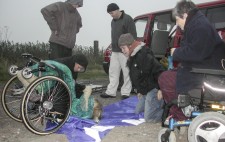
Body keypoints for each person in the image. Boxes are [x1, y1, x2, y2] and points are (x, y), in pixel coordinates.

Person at [158, 1, 225, 121]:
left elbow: (196, 53)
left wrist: (176, 52)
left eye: (177, 20)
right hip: (203, 69)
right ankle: (179, 112)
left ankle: (181, 116)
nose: (177, 25)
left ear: (184, 14)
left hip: (206, 75)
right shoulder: (197, 24)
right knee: (168, 75)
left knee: (165, 78)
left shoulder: (200, 26)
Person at [16, 54, 102, 122]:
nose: (79, 69)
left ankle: (27, 77)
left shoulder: (72, 68)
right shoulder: (66, 65)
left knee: (43, 88)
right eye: (78, 67)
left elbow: (72, 85)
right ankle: (29, 78)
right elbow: (70, 85)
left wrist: (80, 89)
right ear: (75, 61)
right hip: (51, 78)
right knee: (47, 87)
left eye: (81, 69)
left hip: (54, 82)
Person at [118, 33, 165, 123]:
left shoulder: (144, 55)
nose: (122, 51)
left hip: (153, 88)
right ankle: (152, 105)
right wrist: (139, 90)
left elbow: (159, 70)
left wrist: (161, 89)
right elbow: (136, 76)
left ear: (130, 45)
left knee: (149, 118)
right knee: (137, 112)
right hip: (145, 90)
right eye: (121, 49)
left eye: (123, 48)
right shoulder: (131, 57)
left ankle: (167, 112)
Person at [100, 3, 137, 99]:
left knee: (126, 72)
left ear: (117, 10)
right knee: (113, 72)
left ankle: (125, 92)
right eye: (109, 14)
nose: (111, 15)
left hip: (125, 51)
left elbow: (132, 36)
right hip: (115, 51)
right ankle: (111, 92)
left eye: (112, 13)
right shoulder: (113, 21)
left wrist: (129, 49)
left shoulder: (128, 19)